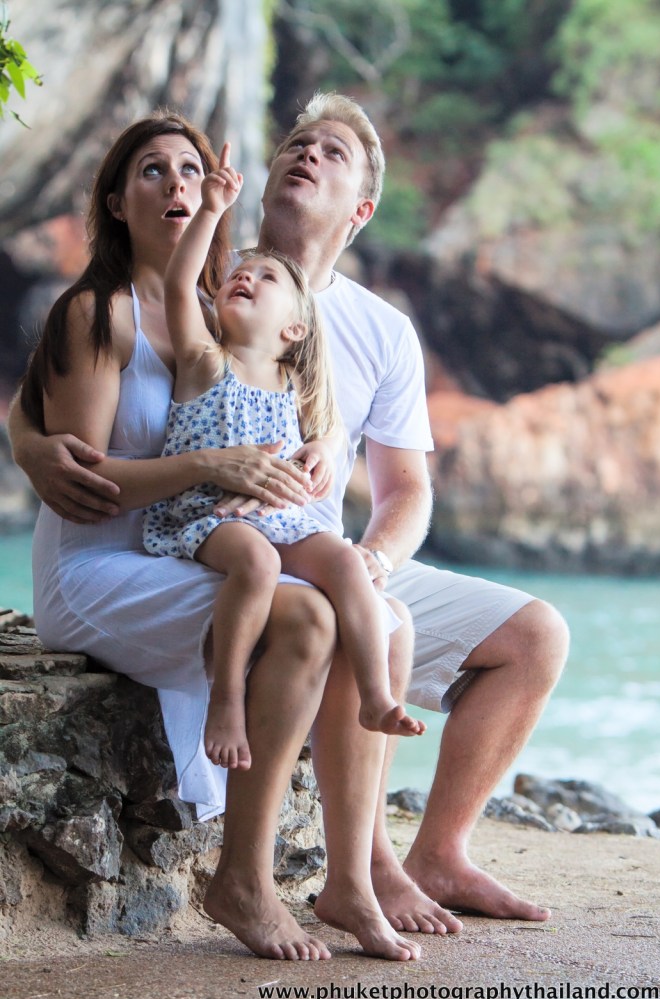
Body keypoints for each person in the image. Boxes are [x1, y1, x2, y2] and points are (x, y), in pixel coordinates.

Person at [11, 93, 570, 936]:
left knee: (521, 631)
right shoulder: (211, 277)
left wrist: (366, 555)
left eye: (332, 152)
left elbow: (404, 490)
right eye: (295, 145)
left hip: (320, 545)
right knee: (335, 612)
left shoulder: (375, 328)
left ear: (362, 210)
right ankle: (355, 867)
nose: (306, 156)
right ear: (257, 184)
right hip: (205, 544)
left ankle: (432, 855)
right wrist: (23, 438)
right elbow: (76, 368)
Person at [144, 147, 424, 769]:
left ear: (294, 329)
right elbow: (176, 283)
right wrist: (212, 210)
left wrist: (322, 449)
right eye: (241, 276)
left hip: (283, 515)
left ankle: (376, 696)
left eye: (267, 280)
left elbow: (326, 435)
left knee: (350, 563)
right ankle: (226, 698)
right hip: (208, 513)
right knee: (257, 563)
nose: (246, 277)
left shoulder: (293, 385)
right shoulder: (203, 360)